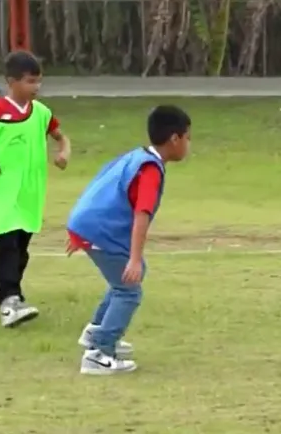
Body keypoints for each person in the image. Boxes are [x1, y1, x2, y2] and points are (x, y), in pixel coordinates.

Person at [66, 105, 191, 375]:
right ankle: (99, 353)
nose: (189, 145)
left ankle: (96, 333)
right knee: (129, 289)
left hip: (88, 225)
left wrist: (79, 229)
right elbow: (141, 215)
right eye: (188, 137)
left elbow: (99, 184)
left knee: (124, 279)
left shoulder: (136, 156)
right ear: (174, 139)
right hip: (98, 229)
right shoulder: (149, 170)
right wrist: (134, 258)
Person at [0, 51, 71, 328]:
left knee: (21, 248)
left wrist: (63, 151)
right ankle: (8, 300)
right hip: (0, 189)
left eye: (38, 81)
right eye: (30, 81)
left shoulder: (41, 113)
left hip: (29, 191)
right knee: (7, 243)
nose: (36, 87)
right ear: (11, 82)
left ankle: (13, 297)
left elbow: (60, 135)